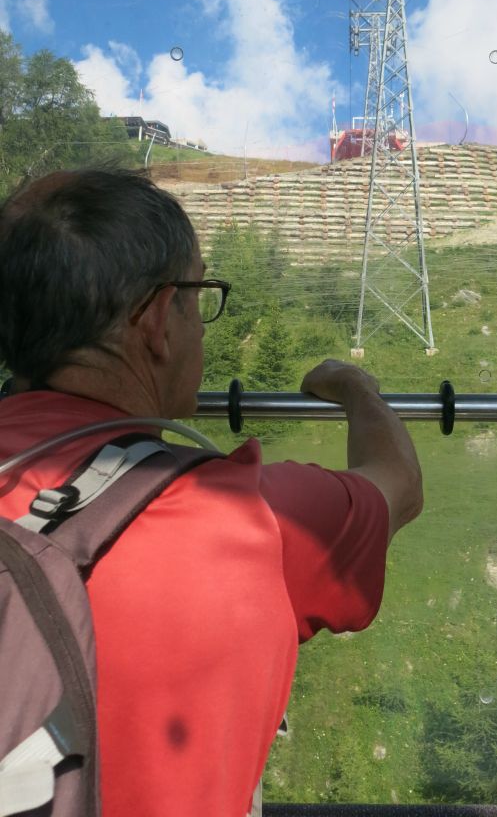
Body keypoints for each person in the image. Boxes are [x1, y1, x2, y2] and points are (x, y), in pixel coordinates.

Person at [0, 167, 423, 817]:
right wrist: (353, 387)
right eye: (199, 294)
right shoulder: (261, 522)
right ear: (158, 320)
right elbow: (398, 483)